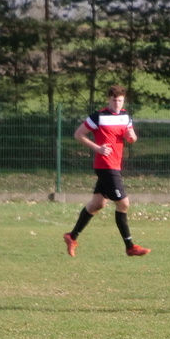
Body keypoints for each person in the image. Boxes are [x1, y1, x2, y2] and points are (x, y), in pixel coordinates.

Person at [62, 85, 150, 257]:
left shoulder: (125, 116)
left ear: (124, 100)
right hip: (105, 165)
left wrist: (132, 138)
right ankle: (130, 246)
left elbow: (131, 136)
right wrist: (98, 148)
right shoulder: (99, 116)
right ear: (109, 100)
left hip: (115, 164)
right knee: (123, 204)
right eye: (114, 100)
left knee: (98, 204)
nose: (117, 103)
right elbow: (78, 134)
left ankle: (71, 236)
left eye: (120, 100)